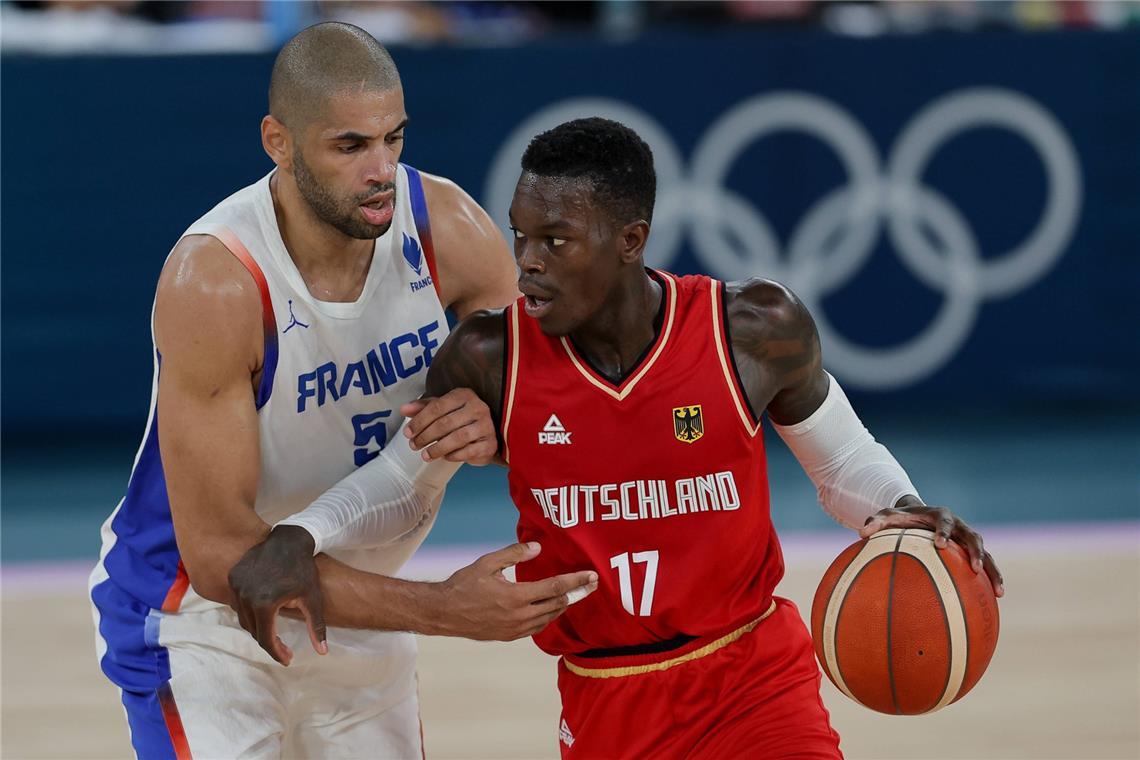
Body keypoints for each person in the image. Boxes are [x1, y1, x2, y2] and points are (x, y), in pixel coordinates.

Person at [231, 117, 1005, 758]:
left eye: (556, 242)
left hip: (753, 676)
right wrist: (303, 532)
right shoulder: (487, 358)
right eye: (520, 237)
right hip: (606, 699)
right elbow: (400, 483)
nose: (525, 264)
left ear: (630, 239)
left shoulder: (752, 330)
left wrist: (901, 505)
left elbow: (840, 464)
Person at [88, 22, 598, 760]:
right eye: (351, 145)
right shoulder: (218, 280)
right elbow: (226, 557)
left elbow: (548, 401)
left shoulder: (444, 227)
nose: (382, 168)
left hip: (362, 600)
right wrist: (446, 611)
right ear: (279, 142)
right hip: (204, 620)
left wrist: (497, 428)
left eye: (394, 138)